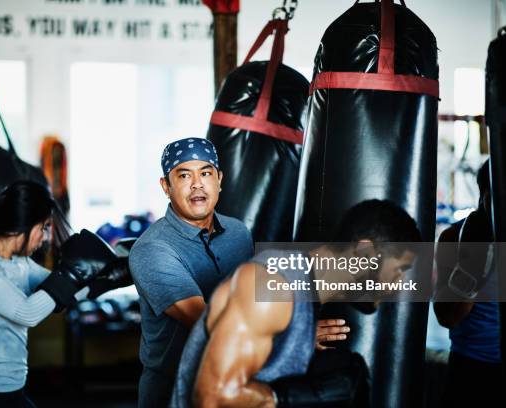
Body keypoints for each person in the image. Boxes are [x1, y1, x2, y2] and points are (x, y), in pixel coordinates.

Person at [130, 138, 350, 407]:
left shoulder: (238, 232)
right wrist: (298, 334)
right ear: (166, 186)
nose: (197, 184)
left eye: (206, 173)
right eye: (184, 175)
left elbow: (256, 297)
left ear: (220, 179)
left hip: (236, 379)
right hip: (170, 389)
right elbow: (203, 319)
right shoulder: (152, 250)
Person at [170, 199, 422, 407]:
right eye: (399, 270)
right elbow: (214, 397)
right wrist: (299, 396)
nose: (398, 285)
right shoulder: (272, 285)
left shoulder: (302, 301)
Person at [0, 180, 131, 407]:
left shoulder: (20, 263)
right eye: (44, 227)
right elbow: (27, 313)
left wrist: (108, 280)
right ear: (22, 225)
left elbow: (58, 294)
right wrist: (73, 274)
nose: (46, 237)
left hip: (11, 389)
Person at [434, 160, 505, 407]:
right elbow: (447, 317)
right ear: (486, 195)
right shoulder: (454, 238)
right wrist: (472, 270)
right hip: (472, 367)